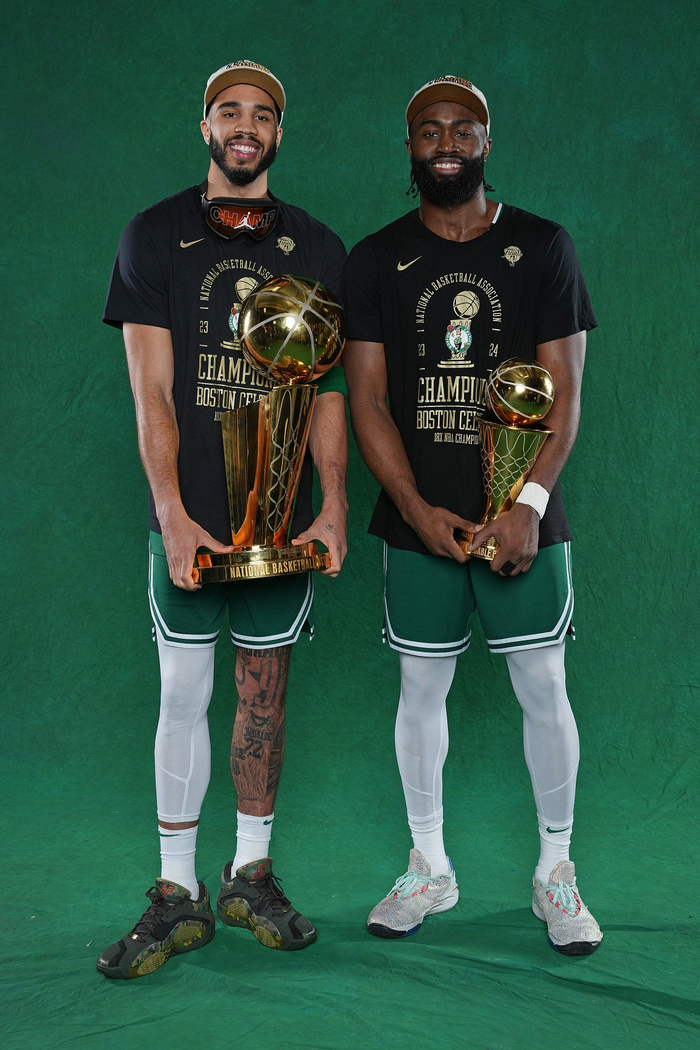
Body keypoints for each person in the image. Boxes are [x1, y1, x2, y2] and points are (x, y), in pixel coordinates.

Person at [96, 60, 348, 979]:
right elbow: (151, 390)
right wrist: (170, 511)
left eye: (263, 114)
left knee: (264, 694)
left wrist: (333, 505)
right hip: (191, 518)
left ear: (280, 134)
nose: (246, 126)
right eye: (229, 111)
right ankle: (176, 891)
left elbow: (326, 393)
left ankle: (250, 876)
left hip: (280, 525)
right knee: (182, 693)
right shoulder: (153, 234)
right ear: (205, 126)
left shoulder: (317, 246)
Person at [343, 76, 602, 955]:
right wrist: (414, 509)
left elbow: (565, 394)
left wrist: (527, 504)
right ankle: (429, 866)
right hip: (420, 519)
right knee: (420, 689)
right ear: (410, 148)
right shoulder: (377, 258)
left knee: (544, 686)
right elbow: (367, 399)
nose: (446, 142)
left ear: (487, 143)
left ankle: (555, 872)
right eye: (430, 130)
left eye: (463, 129)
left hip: (524, 518)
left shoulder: (545, 246)